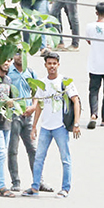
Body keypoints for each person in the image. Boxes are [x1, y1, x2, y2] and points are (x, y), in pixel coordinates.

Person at [26, 51, 82, 197]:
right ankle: (35, 187)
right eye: (49, 64)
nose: (52, 66)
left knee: (65, 158)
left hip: (60, 127)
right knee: (39, 158)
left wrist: (76, 123)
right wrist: (34, 126)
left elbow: (76, 101)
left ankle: (65, 188)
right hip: (45, 127)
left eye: (54, 64)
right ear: (45, 65)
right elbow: (38, 104)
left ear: (58, 64)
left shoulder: (65, 82)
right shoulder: (42, 83)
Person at [83, 2, 104, 129]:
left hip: (94, 64)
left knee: (93, 91)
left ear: (96, 12)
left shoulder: (89, 27)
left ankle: (93, 114)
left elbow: (89, 41)